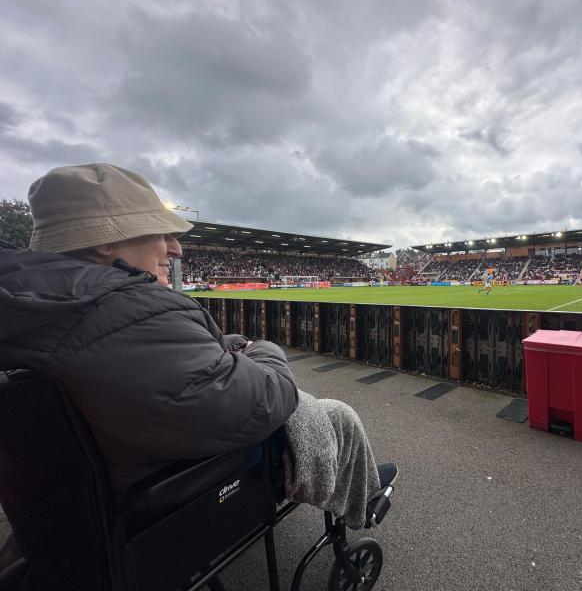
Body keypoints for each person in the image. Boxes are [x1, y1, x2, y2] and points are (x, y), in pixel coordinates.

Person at [0, 164, 394, 535]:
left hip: (82, 498)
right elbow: (263, 401)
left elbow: (144, 362)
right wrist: (264, 349)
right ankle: (365, 501)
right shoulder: (122, 311)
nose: (176, 250)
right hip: (167, 492)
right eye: (160, 233)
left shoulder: (40, 308)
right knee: (336, 414)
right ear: (105, 241)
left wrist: (227, 345)